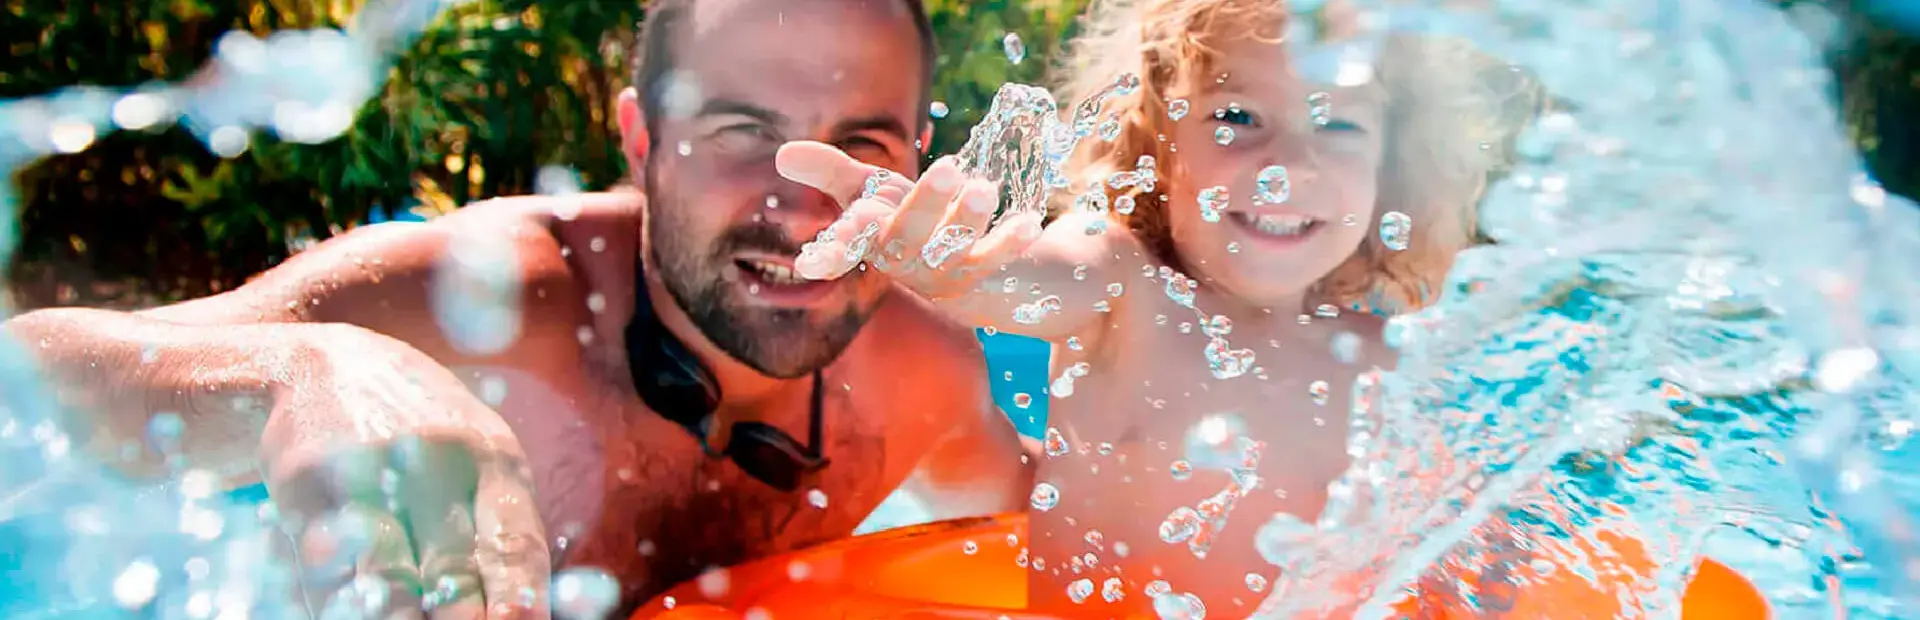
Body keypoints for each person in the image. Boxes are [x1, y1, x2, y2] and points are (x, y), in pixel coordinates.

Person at [2, 0, 1034, 616]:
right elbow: (24, 386)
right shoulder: (471, 302)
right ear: (639, 141)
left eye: (861, 147)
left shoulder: (922, 368)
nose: (807, 207)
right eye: (740, 132)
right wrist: (302, 372)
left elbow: (1087, 544)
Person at [775, 0, 1538, 614]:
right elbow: (1029, 279)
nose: (1285, 164)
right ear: (1161, 141)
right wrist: (951, 266)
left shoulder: (1386, 361)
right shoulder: (1125, 282)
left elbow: (1460, 555)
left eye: (1338, 123)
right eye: (1237, 119)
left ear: (1391, 166)